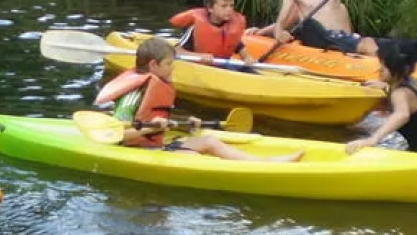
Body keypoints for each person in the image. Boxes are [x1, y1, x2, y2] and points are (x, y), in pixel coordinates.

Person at [95, 37, 303, 162]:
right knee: (195, 156)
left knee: (209, 141)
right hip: (136, 152)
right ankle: (263, 166)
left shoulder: (157, 84)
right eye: (169, 64)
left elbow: (159, 119)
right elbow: (119, 134)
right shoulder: (133, 93)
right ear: (153, 66)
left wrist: (186, 126)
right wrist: (151, 128)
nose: (173, 68)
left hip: (156, 147)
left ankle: (265, 162)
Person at [345, 39, 417, 154]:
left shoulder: (401, 93)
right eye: (381, 63)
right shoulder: (411, 82)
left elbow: (402, 115)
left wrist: (373, 139)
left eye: (386, 66)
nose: (380, 69)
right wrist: (386, 86)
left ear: (402, 69)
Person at [169, 0, 251, 63]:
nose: (229, 10)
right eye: (224, 6)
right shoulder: (196, 29)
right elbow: (177, 51)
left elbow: (238, 45)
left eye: (231, 5)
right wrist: (199, 56)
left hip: (223, 66)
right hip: (201, 67)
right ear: (210, 8)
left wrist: (246, 57)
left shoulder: (232, 28)